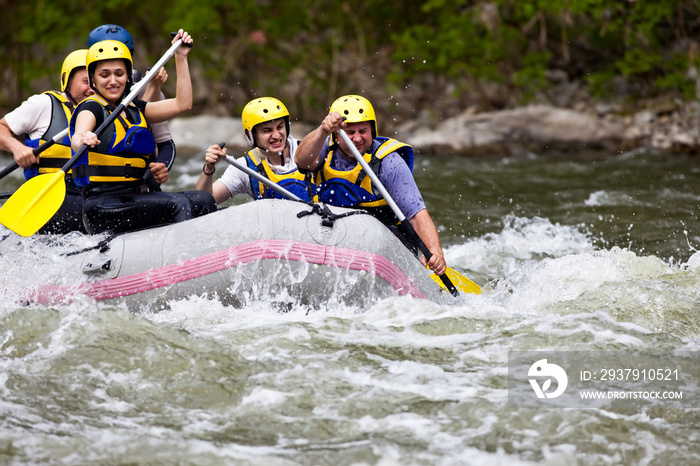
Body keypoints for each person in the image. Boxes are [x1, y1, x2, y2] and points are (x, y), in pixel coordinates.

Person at [69, 30, 216, 235]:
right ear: (93, 79)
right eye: (104, 75)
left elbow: (183, 104)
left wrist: (181, 57)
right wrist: (83, 138)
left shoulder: (135, 107)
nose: (113, 81)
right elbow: (77, 137)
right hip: (102, 206)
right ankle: (185, 260)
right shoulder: (91, 108)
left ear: (128, 76)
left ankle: (210, 255)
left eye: (119, 74)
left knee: (204, 200)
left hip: (133, 198)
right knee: (177, 203)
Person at [294, 94, 447, 275]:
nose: (357, 138)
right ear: (337, 134)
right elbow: (301, 161)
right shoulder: (324, 147)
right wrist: (322, 130)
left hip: (385, 247)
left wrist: (435, 250)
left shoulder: (389, 162)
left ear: (373, 130)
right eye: (350, 132)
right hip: (337, 241)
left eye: (363, 131)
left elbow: (415, 214)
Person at [0, 49, 94, 234]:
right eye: (86, 81)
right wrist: (17, 148)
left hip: (92, 193)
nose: (91, 88)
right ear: (67, 80)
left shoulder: (104, 111)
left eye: (95, 81)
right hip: (52, 195)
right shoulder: (44, 104)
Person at [87, 24, 176, 191]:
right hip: (99, 187)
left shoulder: (143, 87)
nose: (112, 79)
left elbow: (165, 143)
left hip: (137, 184)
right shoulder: (85, 94)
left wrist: (158, 170)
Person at [195, 97, 314, 204]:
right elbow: (203, 201)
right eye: (267, 131)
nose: (277, 136)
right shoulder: (245, 167)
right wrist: (209, 168)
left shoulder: (312, 150)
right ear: (251, 135)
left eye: (280, 127)